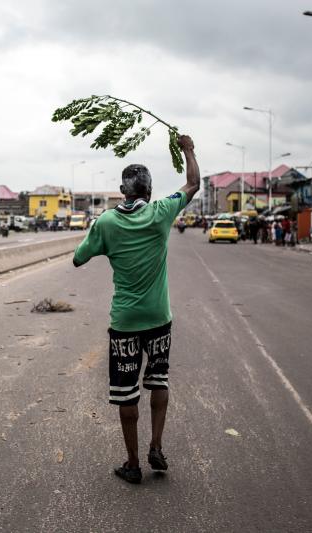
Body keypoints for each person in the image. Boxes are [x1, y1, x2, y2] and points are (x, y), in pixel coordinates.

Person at [72, 134, 199, 484]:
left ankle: (132, 464)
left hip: (125, 323)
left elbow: (78, 258)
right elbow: (193, 183)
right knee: (158, 381)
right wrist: (187, 148)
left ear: (123, 191)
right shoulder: (161, 213)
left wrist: (99, 232)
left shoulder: (107, 223)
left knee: (127, 392)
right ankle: (156, 445)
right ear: (149, 190)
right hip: (159, 319)